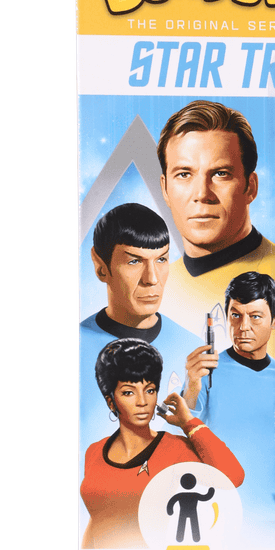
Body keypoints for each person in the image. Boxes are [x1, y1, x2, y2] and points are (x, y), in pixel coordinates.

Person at [157, 100, 275, 389]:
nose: (201, 194)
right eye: (184, 174)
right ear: (165, 188)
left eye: (220, 174)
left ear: (250, 187)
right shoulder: (158, 284)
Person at [80, 338, 244, 549]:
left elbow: (233, 477)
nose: (142, 402)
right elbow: (97, 518)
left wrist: (188, 422)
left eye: (149, 390)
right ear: (111, 401)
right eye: (129, 392)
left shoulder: (174, 449)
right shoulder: (94, 451)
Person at [79, 203, 202, 475]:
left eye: (162, 259)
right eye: (134, 261)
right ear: (101, 266)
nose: (152, 278)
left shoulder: (195, 352)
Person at [185, 272, 275, 525]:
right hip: (218, 519)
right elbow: (181, 428)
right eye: (235, 315)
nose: (243, 327)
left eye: (255, 316)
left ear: (274, 320)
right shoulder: (206, 373)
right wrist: (192, 384)